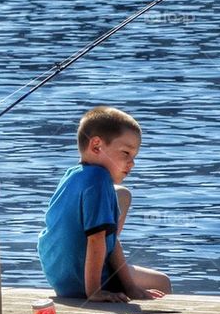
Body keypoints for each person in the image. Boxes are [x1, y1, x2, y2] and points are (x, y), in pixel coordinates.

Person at [37, 106, 170, 302]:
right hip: (82, 282)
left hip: (62, 279)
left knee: (122, 196)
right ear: (97, 146)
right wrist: (94, 292)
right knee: (162, 282)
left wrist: (131, 287)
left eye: (134, 157)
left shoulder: (73, 174)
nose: (131, 163)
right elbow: (97, 239)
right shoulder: (99, 180)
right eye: (126, 153)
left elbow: (108, 238)